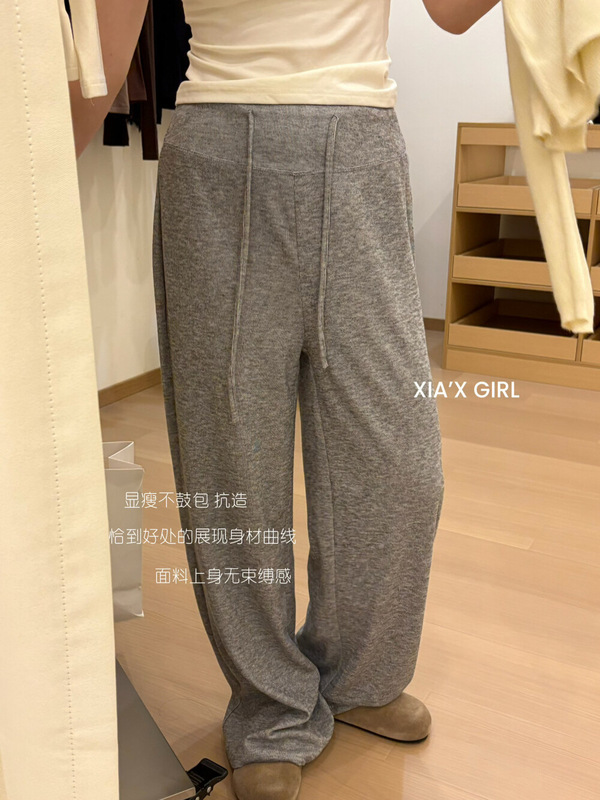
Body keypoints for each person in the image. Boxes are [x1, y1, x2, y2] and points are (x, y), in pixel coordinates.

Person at [71, 3, 500, 800]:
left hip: (363, 141)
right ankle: (270, 706)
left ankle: (359, 677)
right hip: (218, 151)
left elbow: (449, 13)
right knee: (232, 460)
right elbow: (104, 44)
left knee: (401, 468)